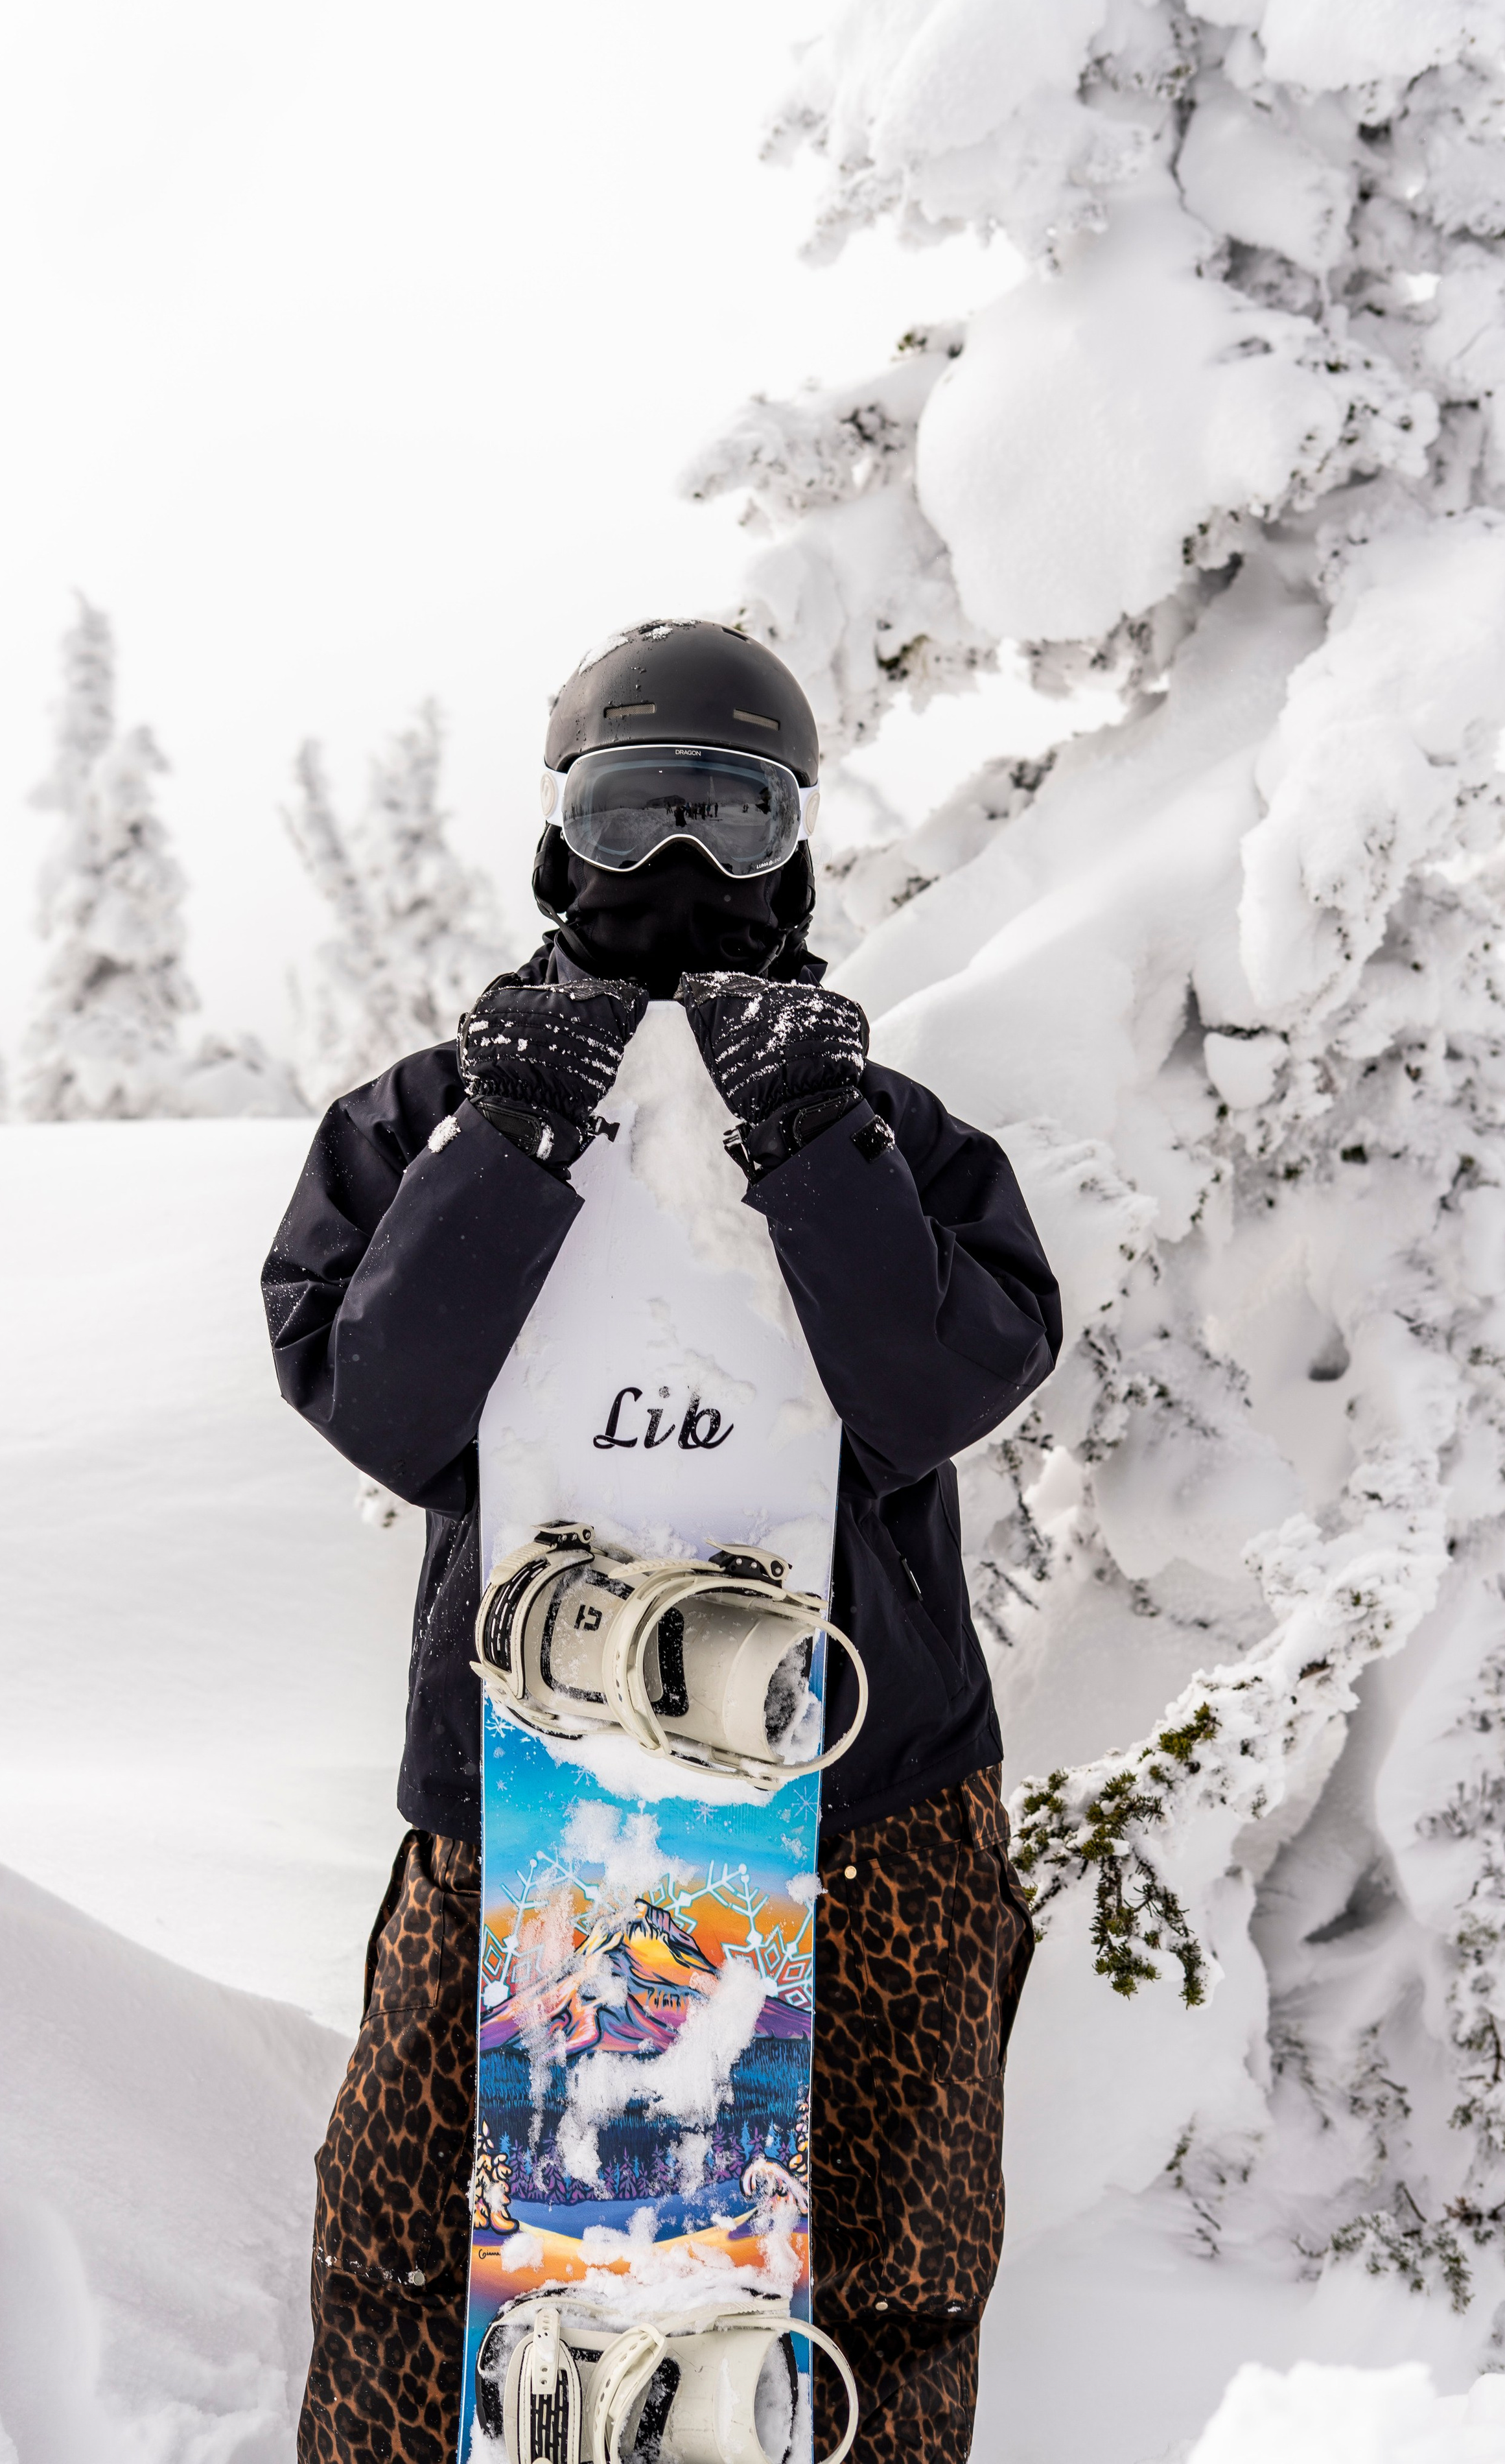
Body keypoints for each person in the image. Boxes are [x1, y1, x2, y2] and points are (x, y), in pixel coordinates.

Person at [262, 618, 1061, 2464]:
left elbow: (933, 1391)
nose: (682, 865)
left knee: (884, 2282)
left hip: (865, 1804)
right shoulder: (423, 1124)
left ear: (797, 849)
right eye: (634, 817)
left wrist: (812, 1144)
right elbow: (384, 1407)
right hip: (524, 1792)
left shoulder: (894, 1137)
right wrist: (512, 1136)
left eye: (731, 814)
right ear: (561, 843)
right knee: (414, 2266)